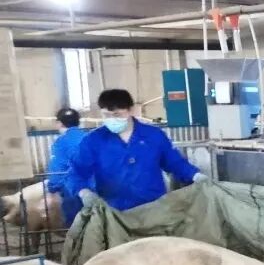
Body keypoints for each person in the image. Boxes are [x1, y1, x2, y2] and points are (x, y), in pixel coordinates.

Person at [67, 88, 207, 213]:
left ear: (131, 110)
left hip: (154, 209)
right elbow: (76, 172)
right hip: (113, 213)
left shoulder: (153, 136)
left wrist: (196, 176)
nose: (112, 119)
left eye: (117, 114)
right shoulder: (93, 141)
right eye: (106, 115)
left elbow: (174, 162)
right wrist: (83, 192)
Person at [45, 107, 88, 226]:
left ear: (59, 123)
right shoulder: (89, 137)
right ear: (78, 122)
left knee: (77, 225)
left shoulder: (61, 142)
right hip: (97, 188)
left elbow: (58, 168)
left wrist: (52, 187)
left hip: (73, 190)